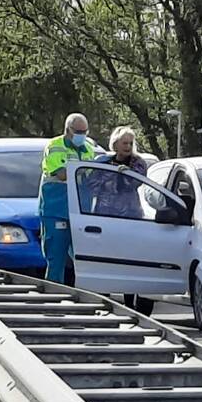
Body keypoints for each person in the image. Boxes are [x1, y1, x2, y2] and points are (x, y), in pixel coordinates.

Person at [39, 113, 96, 283]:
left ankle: (81, 294)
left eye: (85, 131)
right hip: (56, 208)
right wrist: (80, 172)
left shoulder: (88, 149)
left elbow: (91, 178)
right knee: (56, 256)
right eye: (78, 131)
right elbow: (62, 174)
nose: (82, 135)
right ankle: (54, 294)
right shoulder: (54, 146)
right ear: (68, 130)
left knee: (83, 258)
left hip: (79, 209)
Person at [92, 126, 147, 217]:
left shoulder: (138, 163)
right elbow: (91, 185)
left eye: (131, 143)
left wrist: (128, 173)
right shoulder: (103, 162)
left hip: (130, 214)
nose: (128, 146)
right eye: (125, 143)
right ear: (115, 144)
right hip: (104, 214)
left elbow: (136, 181)